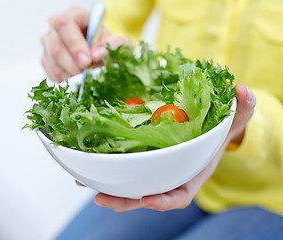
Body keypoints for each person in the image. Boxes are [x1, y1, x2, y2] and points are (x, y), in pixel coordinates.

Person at [41, 1, 283, 239]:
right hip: (164, 169)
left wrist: (239, 122)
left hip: (271, 196)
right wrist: (91, 44)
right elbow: (118, 16)